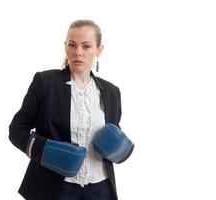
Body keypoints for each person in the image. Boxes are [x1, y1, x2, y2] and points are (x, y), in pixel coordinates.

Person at [9, 19, 134, 200]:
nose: (78, 53)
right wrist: (47, 152)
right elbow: (16, 130)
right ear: (65, 46)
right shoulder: (45, 83)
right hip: (55, 189)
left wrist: (119, 147)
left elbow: (113, 130)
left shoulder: (111, 92)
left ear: (99, 50)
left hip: (101, 189)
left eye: (86, 46)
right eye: (72, 45)